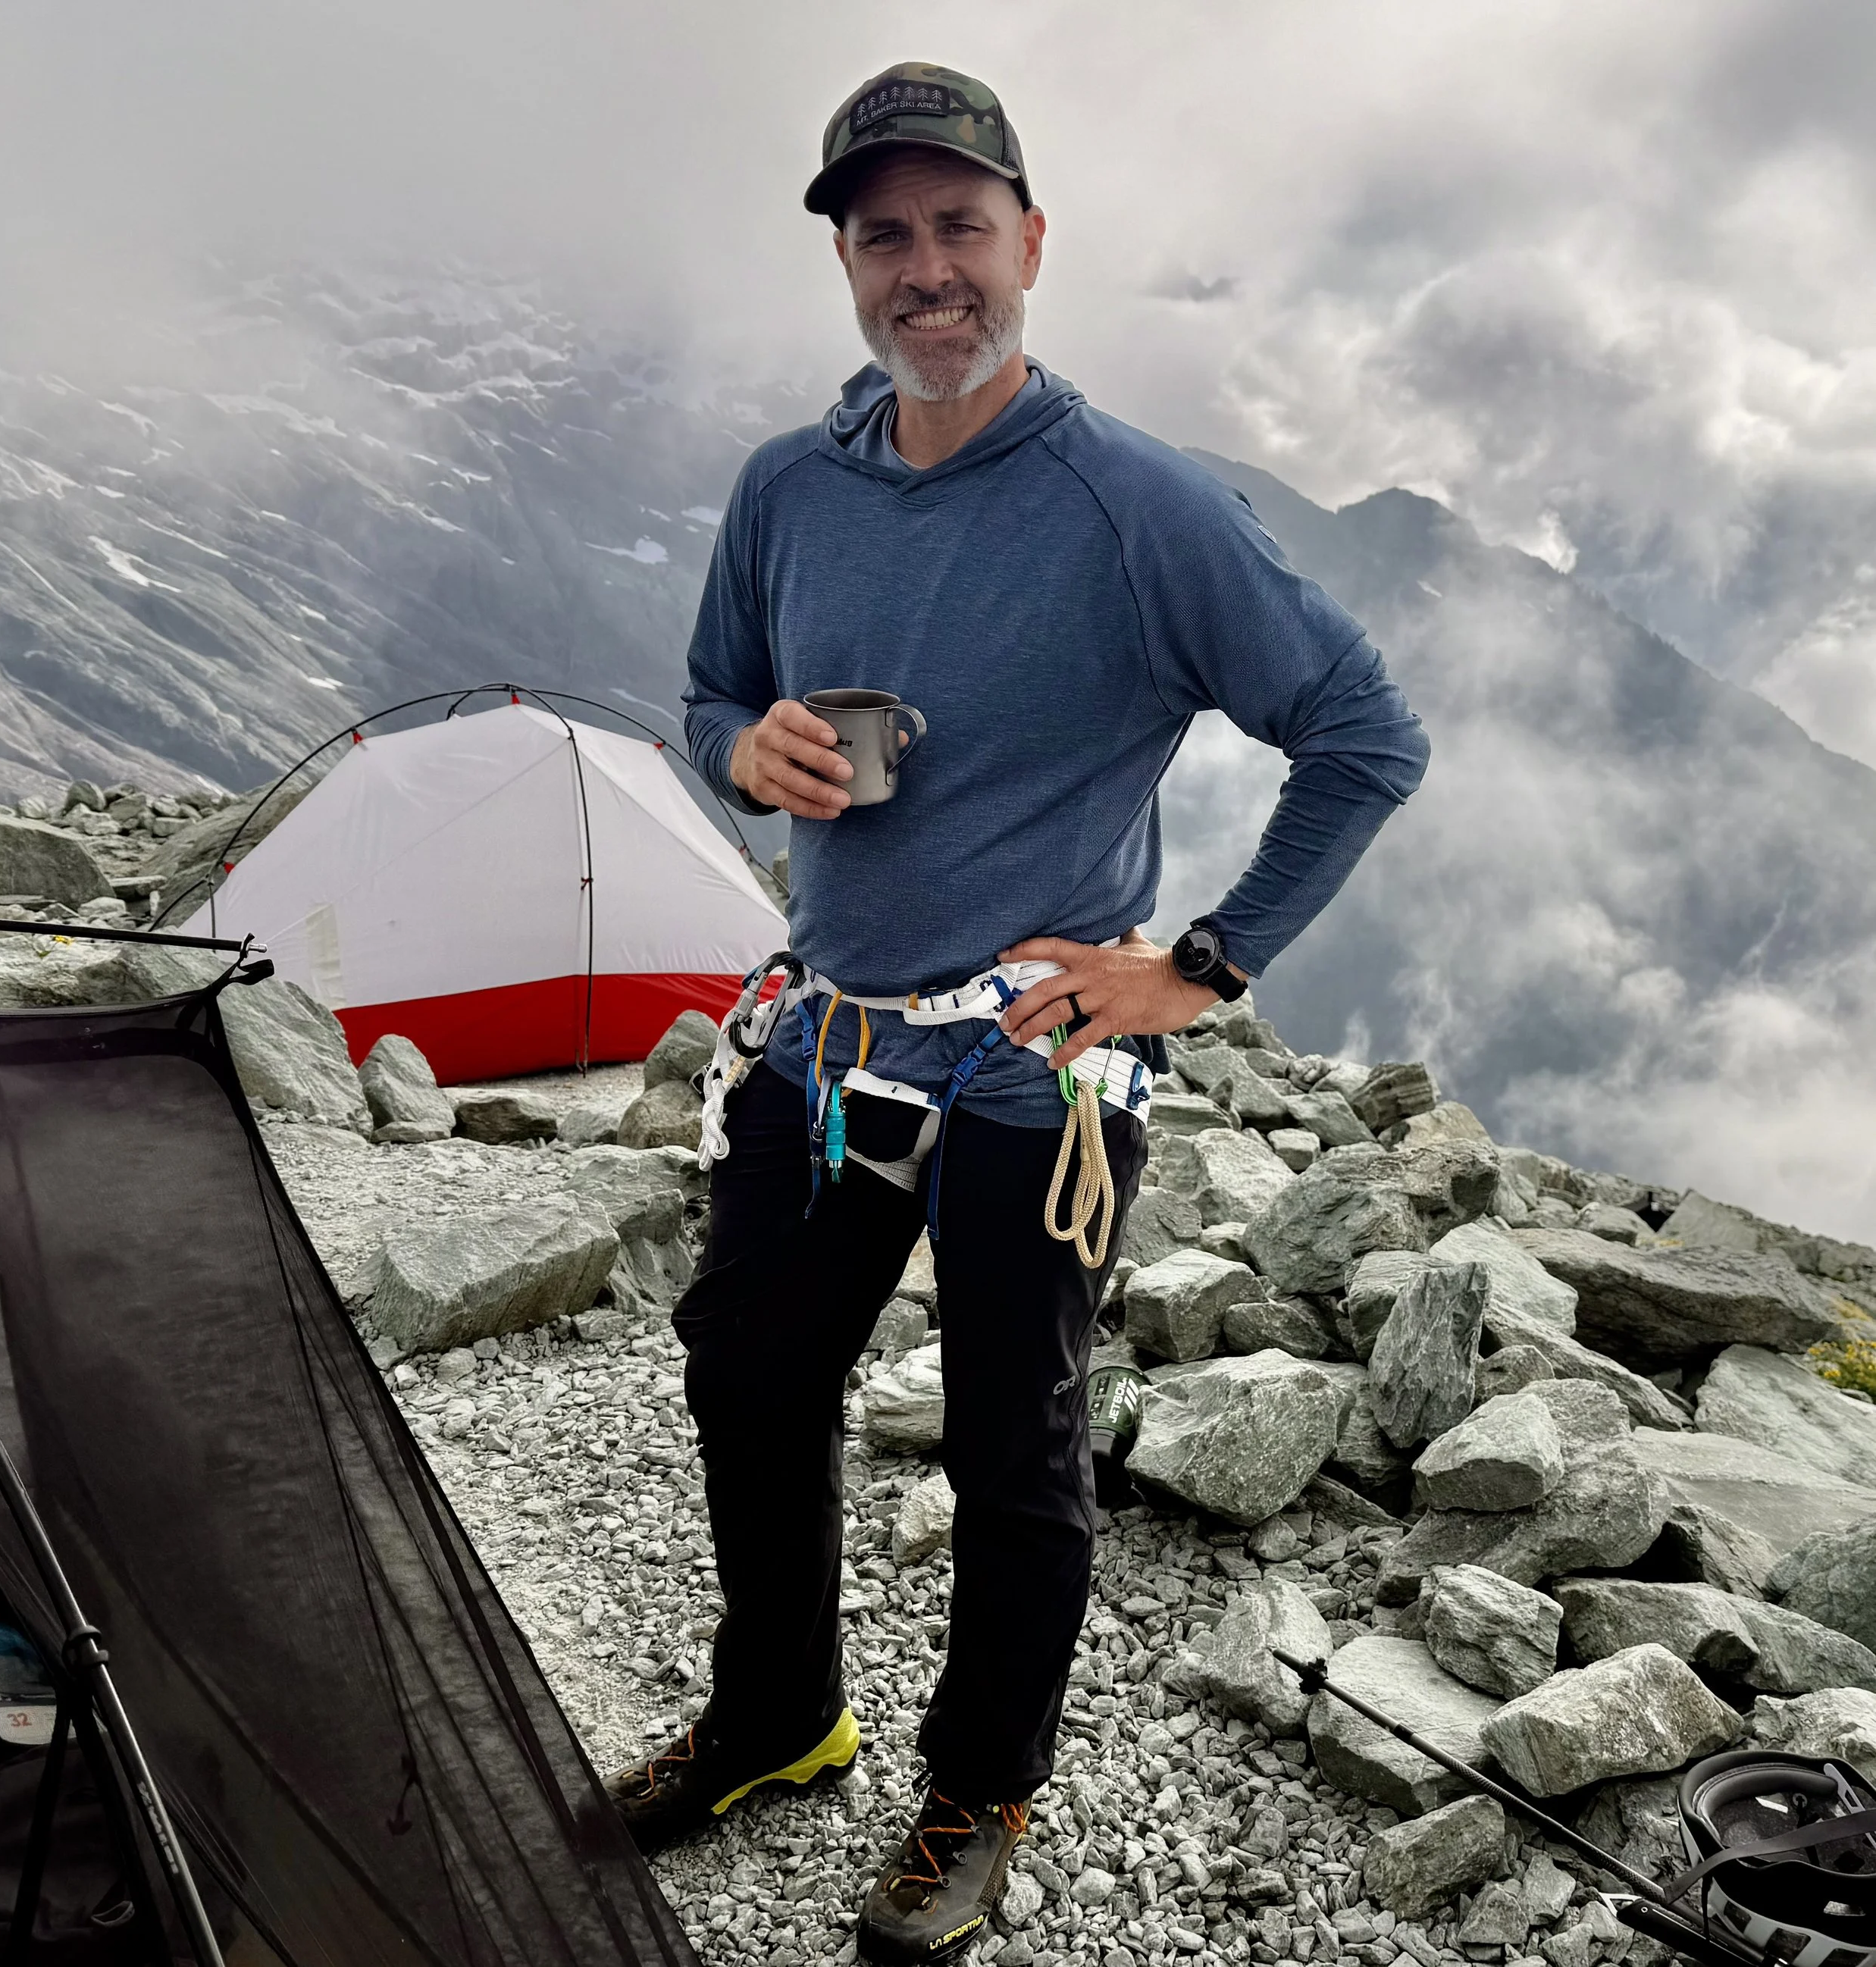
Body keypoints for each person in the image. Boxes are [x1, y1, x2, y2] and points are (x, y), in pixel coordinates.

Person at [606, 60, 1430, 1967]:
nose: (925, 270)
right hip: (828, 1039)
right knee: (749, 1373)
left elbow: (1362, 733)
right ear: (845, 261)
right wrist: (744, 753)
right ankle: (776, 1715)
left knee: (1011, 1442)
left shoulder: (1134, 504)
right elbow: (710, 689)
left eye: (960, 226)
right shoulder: (788, 485)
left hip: (1030, 1061)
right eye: (882, 234)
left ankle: (977, 1792)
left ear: (1030, 242)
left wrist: (1196, 969)